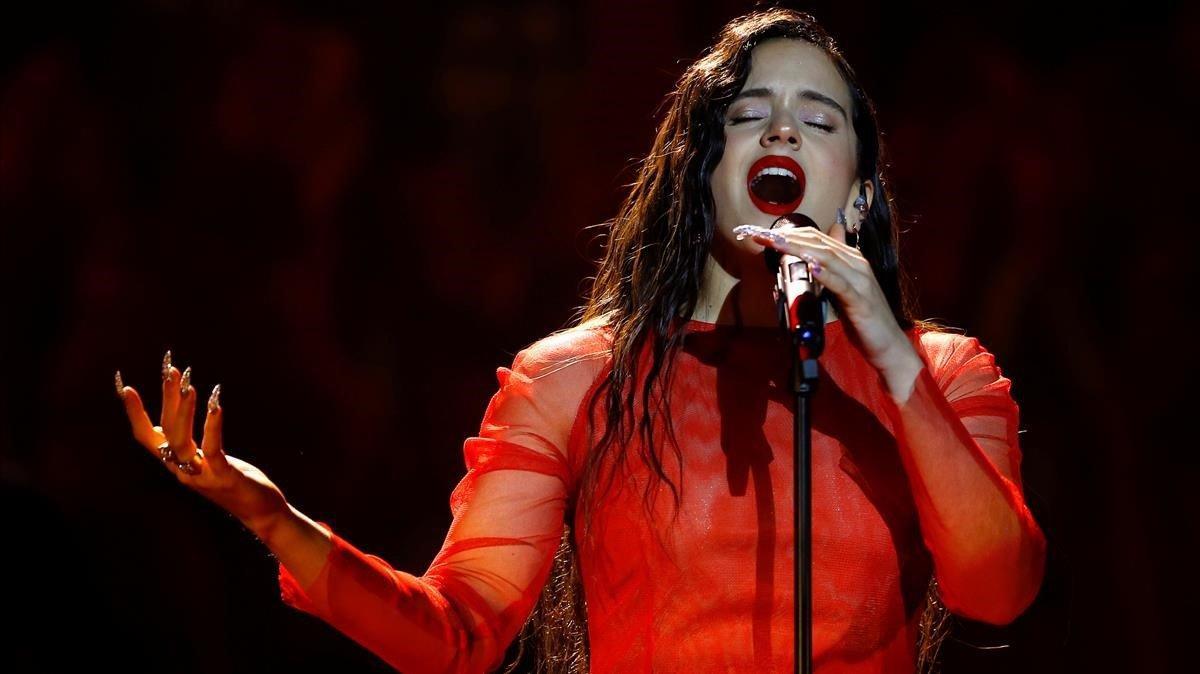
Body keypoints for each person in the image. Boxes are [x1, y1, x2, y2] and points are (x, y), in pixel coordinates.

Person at [115, 8, 1046, 674]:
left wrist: (887, 355)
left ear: (857, 188)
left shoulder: (944, 376)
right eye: (750, 113)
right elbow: (455, 635)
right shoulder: (576, 379)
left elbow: (995, 592)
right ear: (698, 169)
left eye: (819, 118)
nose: (784, 131)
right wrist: (274, 520)